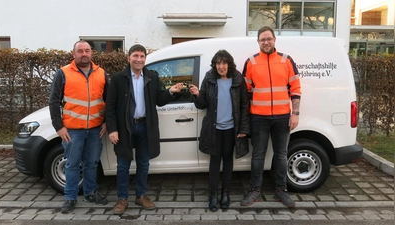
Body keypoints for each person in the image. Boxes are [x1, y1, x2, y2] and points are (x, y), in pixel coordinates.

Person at [105, 44, 183, 215]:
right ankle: (122, 198)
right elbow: (110, 106)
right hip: (125, 127)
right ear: (129, 58)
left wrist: (171, 91)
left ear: (145, 59)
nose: (139, 59)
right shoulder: (118, 78)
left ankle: (141, 196)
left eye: (142, 56)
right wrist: (112, 129)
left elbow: (159, 100)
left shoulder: (151, 77)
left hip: (145, 126)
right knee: (123, 165)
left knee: (143, 163)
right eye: (136, 56)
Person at [240, 26, 301, 208]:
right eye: (262, 39)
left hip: (282, 117)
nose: (266, 42)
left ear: (274, 40)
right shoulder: (251, 62)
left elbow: (295, 89)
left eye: (269, 39)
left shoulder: (286, 60)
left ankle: (281, 190)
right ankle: (254, 190)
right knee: (257, 156)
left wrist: (295, 113)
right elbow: (246, 92)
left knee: (281, 155)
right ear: (258, 42)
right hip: (258, 118)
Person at [49, 40, 109, 214]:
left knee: (92, 163)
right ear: (74, 54)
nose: (84, 54)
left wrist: (106, 122)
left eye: (87, 51)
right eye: (80, 51)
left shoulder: (101, 73)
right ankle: (70, 198)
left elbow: (109, 102)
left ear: (91, 53)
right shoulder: (64, 73)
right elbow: (53, 101)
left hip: (96, 129)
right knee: (72, 165)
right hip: (73, 130)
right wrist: (58, 127)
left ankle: (91, 193)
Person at [189, 50, 250, 212]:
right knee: (215, 162)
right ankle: (213, 195)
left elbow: (245, 105)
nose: (221, 66)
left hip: (231, 129)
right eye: (218, 63)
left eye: (224, 63)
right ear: (214, 65)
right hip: (214, 128)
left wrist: (244, 128)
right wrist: (197, 95)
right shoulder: (209, 78)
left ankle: (226, 194)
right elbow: (202, 104)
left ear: (229, 64)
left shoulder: (237, 79)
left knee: (228, 161)